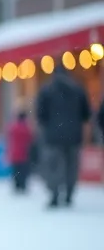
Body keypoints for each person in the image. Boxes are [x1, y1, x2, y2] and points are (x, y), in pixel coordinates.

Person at [34, 66, 92, 208]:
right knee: (71, 166)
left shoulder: (47, 90)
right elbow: (86, 113)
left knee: (54, 166)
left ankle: (54, 194)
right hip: (74, 136)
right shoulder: (78, 90)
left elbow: (40, 114)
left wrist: (48, 126)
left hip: (53, 136)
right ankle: (69, 194)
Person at [4, 112, 34, 195]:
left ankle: (17, 185)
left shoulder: (13, 127)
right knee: (23, 171)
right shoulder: (26, 128)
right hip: (24, 153)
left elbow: (9, 138)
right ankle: (23, 185)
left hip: (14, 153)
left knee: (16, 170)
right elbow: (31, 139)